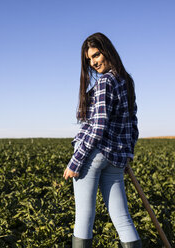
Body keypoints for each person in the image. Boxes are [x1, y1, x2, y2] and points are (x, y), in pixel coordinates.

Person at [63, 32, 142, 248]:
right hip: (116, 158)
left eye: (96, 55)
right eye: (89, 59)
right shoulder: (127, 81)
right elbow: (132, 124)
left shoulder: (105, 82)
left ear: (107, 51)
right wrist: (127, 154)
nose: (93, 62)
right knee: (123, 219)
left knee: (84, 220)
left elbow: (97, 128)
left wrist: (75, 161)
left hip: (93, 156)